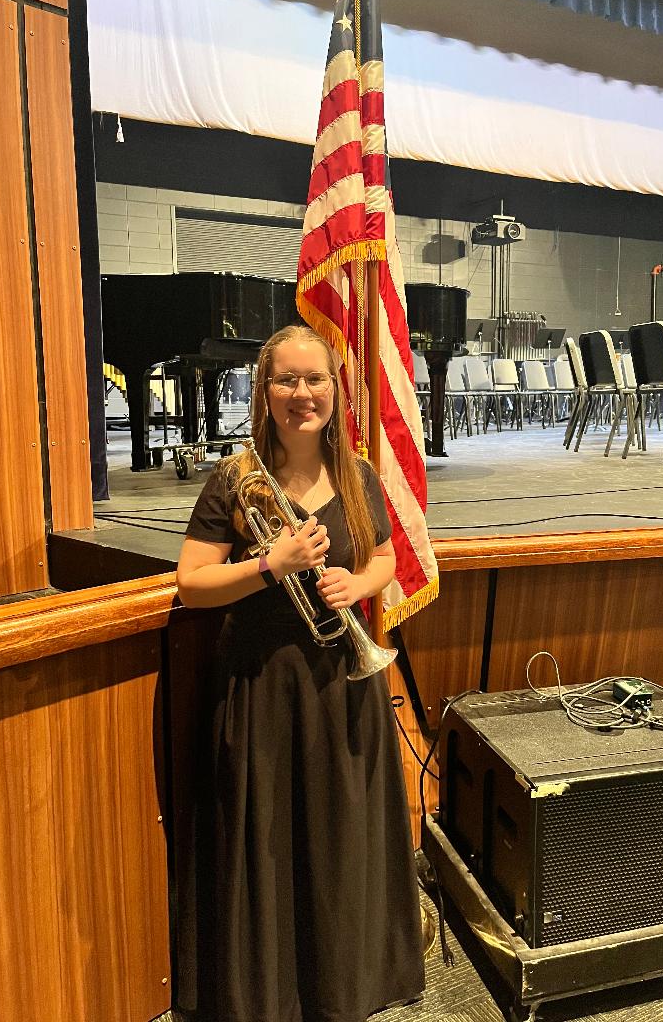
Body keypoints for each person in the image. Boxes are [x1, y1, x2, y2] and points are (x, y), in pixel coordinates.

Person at [176, 324, 425, 1022]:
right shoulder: (235, 479)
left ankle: (346, 984)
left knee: (340, 837)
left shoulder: (357, 474)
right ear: (264, 390)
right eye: (286, 379)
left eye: (314, 379)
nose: (302, 393)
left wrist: (358, 583)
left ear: (334, 390)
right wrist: (269, 566)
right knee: (269, 840)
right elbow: (192, 584)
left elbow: (385, 559)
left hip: (343, 684)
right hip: (263, 685)